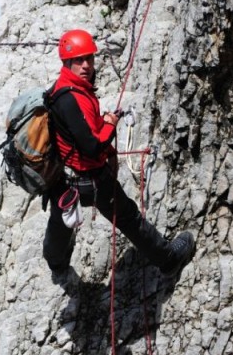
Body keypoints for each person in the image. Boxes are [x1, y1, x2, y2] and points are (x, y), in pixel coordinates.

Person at [43, 29, 195, 280]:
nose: (86, 66)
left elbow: (80, 132)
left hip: (66, 178)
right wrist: (111, 124)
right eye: (79, 60)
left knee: (59, 221)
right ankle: (168, 259)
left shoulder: (62, 88)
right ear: (66, 62)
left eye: (89, 59)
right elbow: (92, 146)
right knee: (129, 218)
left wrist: (102, 125)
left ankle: (56, 263)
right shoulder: (71, 98)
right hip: (91, 178)